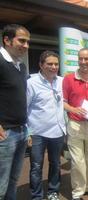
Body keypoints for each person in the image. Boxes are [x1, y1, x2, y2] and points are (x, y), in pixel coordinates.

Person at [63, 48, 88, 200]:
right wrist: (73, 109)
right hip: (75, 124)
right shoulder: (68, 79)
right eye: (81, 58)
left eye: (87, 59)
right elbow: (63, 102)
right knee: (77, 160)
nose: (83, 62)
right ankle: (78, 192)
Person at [27, 51, 65, 200]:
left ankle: (53, 191)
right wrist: (27, 132)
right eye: (49, 64)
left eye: (56, 64)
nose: (53, 67)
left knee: (55, 164)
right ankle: (36, 195)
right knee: (36, 166)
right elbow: (24, 107)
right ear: (41, 65)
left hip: (57, 131)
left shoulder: (61, 81)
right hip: (37, 132)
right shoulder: (31, 83)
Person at [0, 24, 30, 200]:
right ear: (7, 40)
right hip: (5, 134)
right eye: (22, 40)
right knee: (1, 184)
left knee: (13, 180)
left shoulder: (21, 67)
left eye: (28, 42)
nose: (26, 46)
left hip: (21, 131)